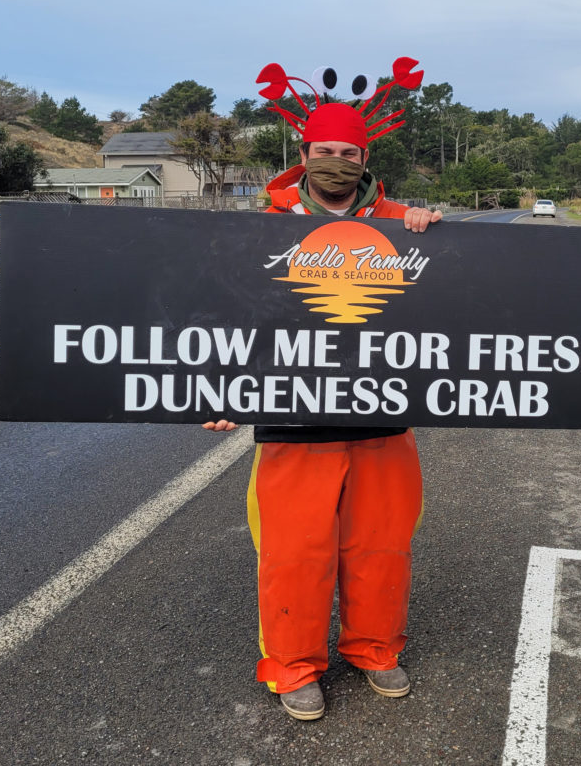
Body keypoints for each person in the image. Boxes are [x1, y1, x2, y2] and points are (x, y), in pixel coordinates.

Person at [203, 96, 441, 721]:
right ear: (303, 155)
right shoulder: (261, 225)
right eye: (325, 152)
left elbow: (453, 302)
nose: (336, 162)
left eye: (348, 154)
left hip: (383, 421)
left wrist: (431, 229)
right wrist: (220, 389)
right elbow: (226, 313)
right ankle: (292, 664)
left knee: (381, 542)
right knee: (294, 548)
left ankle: (375, 648)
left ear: (365, 158)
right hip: (293, 423)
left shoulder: (399, 221)